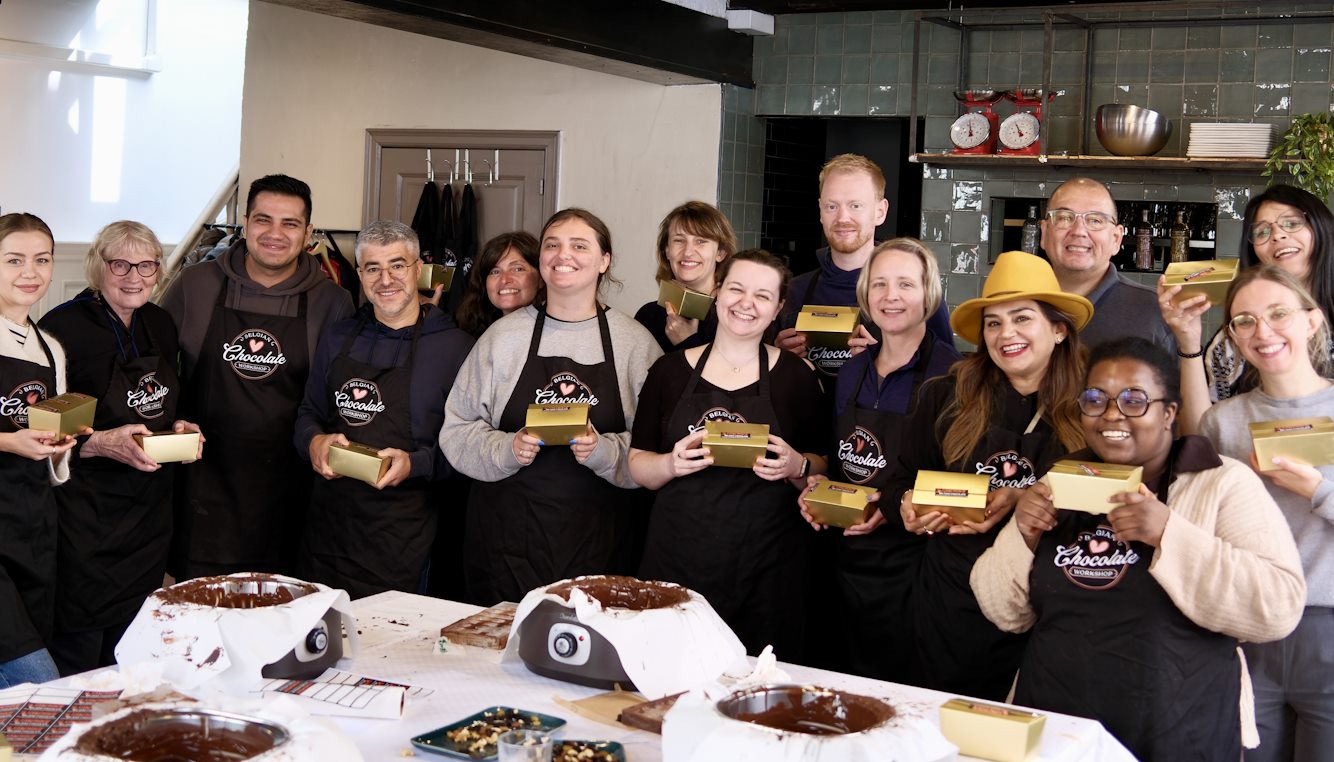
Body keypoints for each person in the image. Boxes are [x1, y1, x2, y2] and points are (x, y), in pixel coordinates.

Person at [974, 336, 1305, 760]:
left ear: (1169, 413)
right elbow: (1001, 610)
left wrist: (1170, 533)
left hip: (1181, 729)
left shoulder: (1220, 482)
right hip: (1057, 728)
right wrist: (1023, 533)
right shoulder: (1061, 482)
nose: (1112, 414)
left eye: (1134, 400)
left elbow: (1278, 607)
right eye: (1096, 399)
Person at [881, 250, 1091, 700]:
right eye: (993, 323)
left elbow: (1106, 505)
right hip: (952, 610)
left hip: (1053, 610)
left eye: (1021, 318)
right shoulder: (945, 395)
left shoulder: (1094, 406)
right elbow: (897, 482)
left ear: (1058, 329)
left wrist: (1025, 498)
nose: (1006, 334)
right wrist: (906, 508)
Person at [440, 209, 662, 605]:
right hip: (508, 542)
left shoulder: (634, 343)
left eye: (580, 245)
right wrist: (507, 449)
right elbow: (457, 429)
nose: (564, 255)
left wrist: (604, 451)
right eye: (552, 245)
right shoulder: (502, 337)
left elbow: (658, 446)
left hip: (603, 540)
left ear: (604, 260)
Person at [631, 249, 828, 659]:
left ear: (778, 308)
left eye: (762, 295)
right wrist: (670, 463)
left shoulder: (797, 378)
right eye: (736, 289)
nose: (745, 303)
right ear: (717, 293)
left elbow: (822, 467)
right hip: (679, 562)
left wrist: (798, 465)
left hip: (770, 571)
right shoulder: (668, 373)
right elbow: (637, 466)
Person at [162, 174, 355, 579]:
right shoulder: (195, 285)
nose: (275, 234)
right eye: (263, 220)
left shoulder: (332, 302)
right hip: (203, 489)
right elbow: (156, 373)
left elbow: (336, 401)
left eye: (290, 224)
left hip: (288, 495)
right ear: (245, 223)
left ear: (308, 233)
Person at [38, 222, 202, 675]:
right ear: (98, 266)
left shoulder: (160, 323)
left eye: (146, 264)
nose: (135, 276)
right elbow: (47, 432)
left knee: (133, 646)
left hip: (148, 514)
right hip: (86, 518)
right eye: (120, 264)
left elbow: (171, 400)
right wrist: (100, 444)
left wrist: (180, 426)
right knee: (79, 650)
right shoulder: (61, 330)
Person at [795, 237, 961, 681]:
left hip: (914, 568)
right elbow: (839, 457)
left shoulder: (954, 376)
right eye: (880, 284)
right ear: (865, 294)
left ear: (928, 294)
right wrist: (816, 486)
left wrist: (888, 507)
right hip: (844, 561)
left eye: (905, 284)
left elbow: (958, 483)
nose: (891, 296)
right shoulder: (851, 369)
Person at [1197, 266, 1334, 761]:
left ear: (1312, 320)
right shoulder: (1223, 422)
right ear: (1232, 335)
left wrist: (1319, 490)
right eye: (1246, 321)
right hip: (1247, 631)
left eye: (1279, 314)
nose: (1264, 332)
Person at [295, 221, 473, 599]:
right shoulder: (338, 336)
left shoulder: (455, 348)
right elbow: (308, 413)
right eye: (372, 267)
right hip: (330, 526)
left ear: (418, 269)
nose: (385, 278)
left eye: (397, 265)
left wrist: (416, 464)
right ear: (359, 274)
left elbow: (470, 448)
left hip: (406, 533)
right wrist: (313, 442)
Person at [1161, 184, 1334, 434]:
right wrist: (1188, 342)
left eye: (1292, 223)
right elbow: (1201, 440)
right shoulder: (1232, 343)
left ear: (1312, 322)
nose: (1277, 235)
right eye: (1262, 231)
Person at [775, 154, 952, 378]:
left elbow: (947, 378)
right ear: (820, 211)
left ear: (880, 211)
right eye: (832, 206)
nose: (843, 218)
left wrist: (885, 362)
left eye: (855, 205)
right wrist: (776, 356)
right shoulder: (795, 291)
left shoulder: (916, 294)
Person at [0, 213, 78, 688]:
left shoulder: (51, 348)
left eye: (41, 259)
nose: (30, 272)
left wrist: (58, 446)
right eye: (14, 260)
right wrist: (9, 440)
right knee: (37, 681)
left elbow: (53, 451)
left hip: (32, 531)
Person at [1040, 177, 1175, 353]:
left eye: (1095, 221)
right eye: (1065, 218)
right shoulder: (1014, 304)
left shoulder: (1156, 311)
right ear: (1044, 233)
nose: (1079, 231)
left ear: (1116, 239)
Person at [633, 201, 736, 353]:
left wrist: (688, 343)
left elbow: (735, 376)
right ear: (667, 251)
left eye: (701, 241)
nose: (688, 252)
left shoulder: (736, 316)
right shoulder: (648, 315)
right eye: (679, 241)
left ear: (720, 253)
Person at [455, 231, 541, 339]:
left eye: (518, 269)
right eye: (495, 272)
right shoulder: (472, 337)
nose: (504, 279)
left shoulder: (553, 336)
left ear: (541, 278)